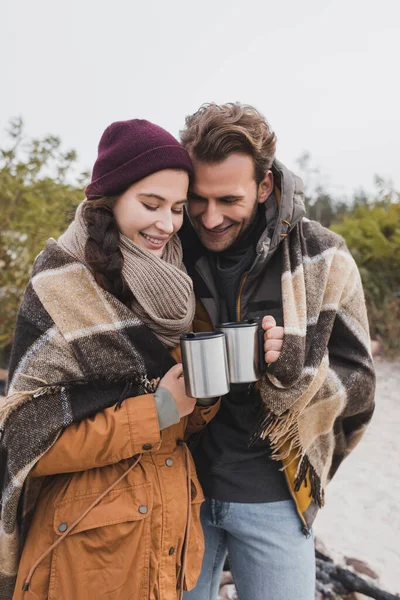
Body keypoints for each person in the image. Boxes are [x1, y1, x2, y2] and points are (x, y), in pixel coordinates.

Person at [0, 119, 219, 600]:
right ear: (110, 198)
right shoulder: (62, 287)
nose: (167, 224)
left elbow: (184, 419)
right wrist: (158, 410)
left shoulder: (179, 285)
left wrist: (205, 392)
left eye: (178, 209)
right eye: (151, 204)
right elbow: (26, 441)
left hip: (165, 539)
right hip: (88, 548)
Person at [179, 103, 376, 600]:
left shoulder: (323, 256)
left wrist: (299, 371)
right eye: (198, 199)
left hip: (275, 497)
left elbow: (361, 385)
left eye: (229, 199)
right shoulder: (166, 248)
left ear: (265, 185)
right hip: (178, 488)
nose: (211, 216)